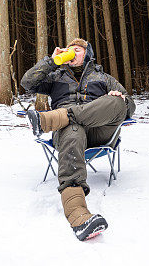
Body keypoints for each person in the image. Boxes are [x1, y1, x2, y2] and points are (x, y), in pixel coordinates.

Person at [21, 38, 136, 241]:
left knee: (118, 101)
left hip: (99, 132)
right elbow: (27, 82)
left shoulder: (103, 77)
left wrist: (121, 98)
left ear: (87, 54)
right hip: (69, 135)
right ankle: (79, 217)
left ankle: (50, 120)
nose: (72, 53)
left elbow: (129, 106)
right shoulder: (56, 76)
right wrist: (52, 61)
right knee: (73, 128)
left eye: (77, 50)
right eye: (69, 50)